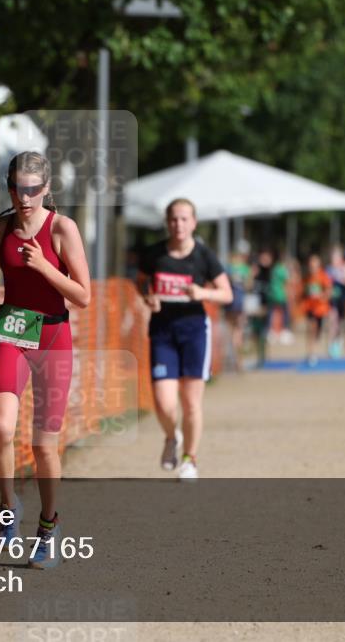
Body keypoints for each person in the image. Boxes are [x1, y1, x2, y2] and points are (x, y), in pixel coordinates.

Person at [0, 151, 90, 569]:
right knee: (2, 425)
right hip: (13, 326)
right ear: (8, 188)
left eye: (31, 189)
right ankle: (8, 507)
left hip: (53, 333)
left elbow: (83, 296)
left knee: (44, 444)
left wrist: (44, 266)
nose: (23, 197)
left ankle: (48, 526)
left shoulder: (62, 229)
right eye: (15, 188)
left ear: (46, 189)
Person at [136, 198, 232, 481]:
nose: (179, 224)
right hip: (162, 332)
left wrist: (204, 294)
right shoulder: (155, 254)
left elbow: (227, 293)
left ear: (194, 222)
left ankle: (190, 459)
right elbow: (140, 280)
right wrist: (147, 296)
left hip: (193, 332)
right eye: (174, 219)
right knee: (164, 403)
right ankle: (171, 437)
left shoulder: (204, 256)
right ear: (167, 223)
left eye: (184, 219)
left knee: (190, 403)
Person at [224, 241, 252, 372]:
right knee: (238, 333)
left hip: (229, 303)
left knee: (230, 332)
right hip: (239, 303)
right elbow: (248, 286)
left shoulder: (229, 267)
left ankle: (231, 359)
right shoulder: (245, 269)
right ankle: (238, 361)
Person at [326, 246, 345, 359]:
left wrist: (342, 279)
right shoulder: (328, 269)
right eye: (333, 257)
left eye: (336, 256)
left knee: (339, 323)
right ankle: (330, 346)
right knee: (332, 321)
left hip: (342, 300)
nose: (334, 259)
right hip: (331, 301)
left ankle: (338, 343)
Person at [301, 254, 332, 367]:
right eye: (311, 265)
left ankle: (329, 348)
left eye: (315, 265)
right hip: (310, 308)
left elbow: (329, 292)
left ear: (319, 265)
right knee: (310, 330)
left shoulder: (323, 276)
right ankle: (310, 354)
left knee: (318, 332)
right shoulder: (307, 277)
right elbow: (303, 291)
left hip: (321, 309)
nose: (312, 267)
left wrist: (321, 295)